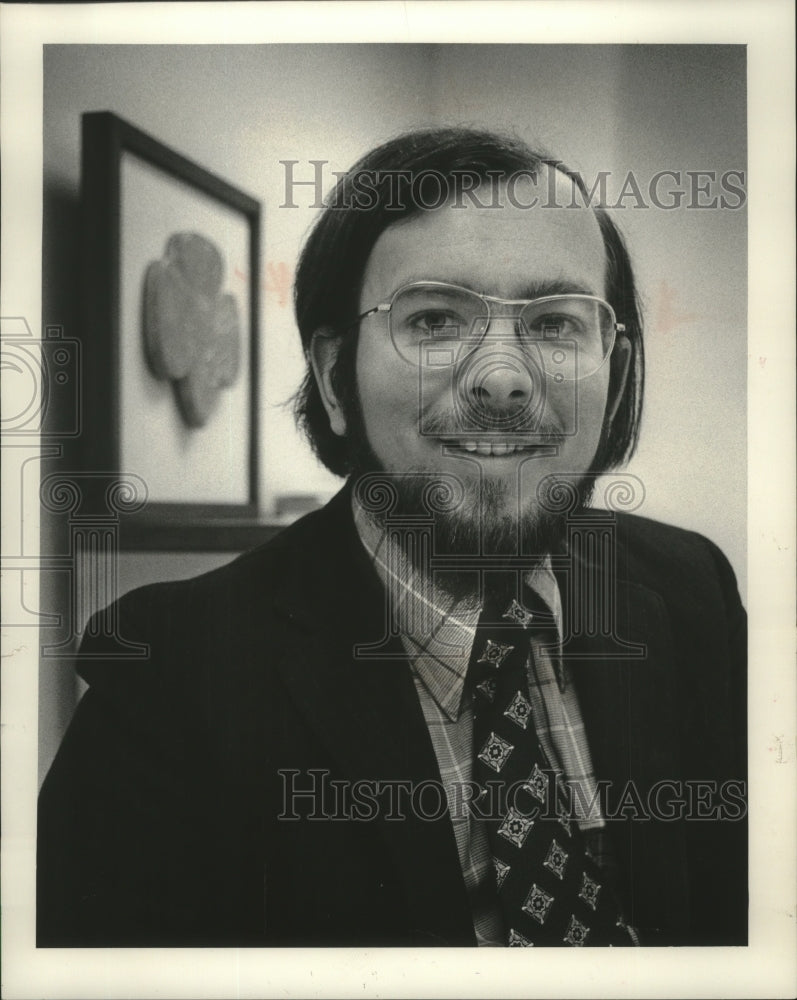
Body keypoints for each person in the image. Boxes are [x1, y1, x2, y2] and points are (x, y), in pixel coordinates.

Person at [37, 127, 747, 948]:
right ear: (334, 379)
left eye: (556, 324)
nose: (502, 379)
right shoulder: (168, 685)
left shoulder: (691, 588)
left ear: (614, 377)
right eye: (435, 318)